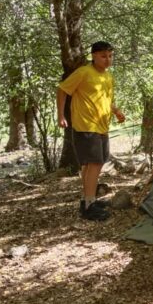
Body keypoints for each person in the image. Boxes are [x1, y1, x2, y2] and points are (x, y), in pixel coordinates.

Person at [57, 41, 125, 221]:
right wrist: (61, 116)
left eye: (110, 56)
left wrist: (116, 111)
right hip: (85, 125)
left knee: (95, 163)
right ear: (93, 56)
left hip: (102, 126)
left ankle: (87, 199)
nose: (107, 60)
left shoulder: (108, 77)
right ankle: (89, 206)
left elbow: (106, 99)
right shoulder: (84, 72)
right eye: (103, 56)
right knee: (94, 164)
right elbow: (62, 89)